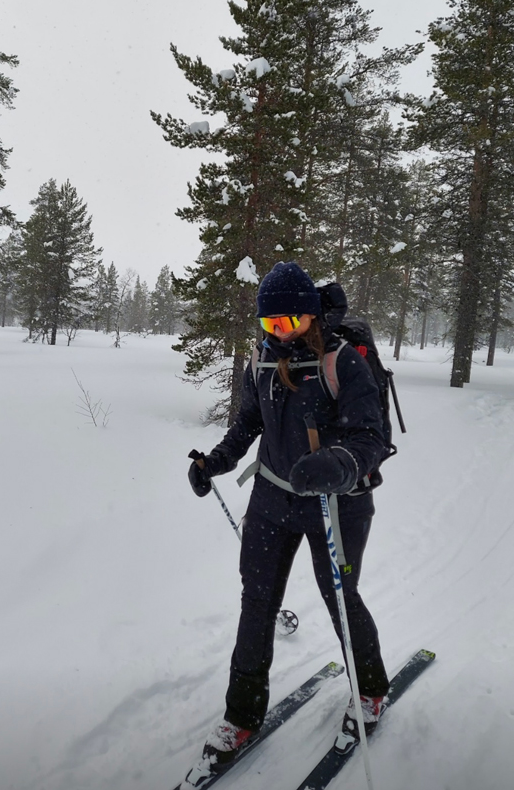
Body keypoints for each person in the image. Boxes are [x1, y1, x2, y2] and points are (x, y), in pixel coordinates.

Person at [187, 261, 390, 773]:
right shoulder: (261, 362)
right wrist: (215, 462)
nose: (279, 333)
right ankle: (241, 716)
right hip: (272, 501)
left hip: (336, 503)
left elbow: (372, 436)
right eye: (269, 323)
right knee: (256, 603)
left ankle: (370, 692)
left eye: (289, 322)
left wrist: (339, 463)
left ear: (311, 316)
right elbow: (247, 423)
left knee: (340, 598)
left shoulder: (342, 363)